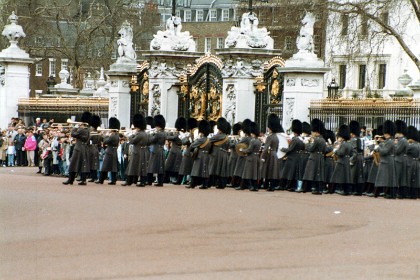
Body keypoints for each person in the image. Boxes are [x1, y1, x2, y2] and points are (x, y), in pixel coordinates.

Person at [63, 112, 91, 185]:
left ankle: (70, 179)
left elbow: (73, 134)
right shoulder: (87, 130)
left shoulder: (81, 130)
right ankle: (83, 180)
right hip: (84, 148)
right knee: (83, 164)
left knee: (73, 164)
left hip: (78, 148)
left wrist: (75, 127)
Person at [122, 114, 149, 186]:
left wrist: (130, 135)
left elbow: (132, 141)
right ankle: (138, 181)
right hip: (142, 151)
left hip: (137, 151)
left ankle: (129, 181)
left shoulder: (140, 134)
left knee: (132, 166)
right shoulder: (144, 133)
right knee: (141, 167)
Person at [302, 118, 327, 195]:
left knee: (311, 173)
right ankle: (319, 189)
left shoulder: (316, 140)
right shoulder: (323, 139)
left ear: (316, 132)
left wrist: (307, 143)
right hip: (320, 157)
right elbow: (325, 149)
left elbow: (310, 149)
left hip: (314, 157)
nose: (312, 133)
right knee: (319, 174)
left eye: (313, 132)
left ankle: (307, 188)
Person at [374, 120, 397, 199]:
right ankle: (383, 193)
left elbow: (384, 151)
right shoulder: (387, 141)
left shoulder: (390, 141)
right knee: (384, 178)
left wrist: (378, 147)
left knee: (387, 178)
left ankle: (378, 193)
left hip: (387, 161)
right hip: (385, 161)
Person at [281, 119, 305, 192]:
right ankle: (292, 186)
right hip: (297, 157)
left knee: (288, 172)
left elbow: (290, 149)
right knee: (294, 173)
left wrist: (282, 149)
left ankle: (287, 186)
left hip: (292, 157)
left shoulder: (294, 140)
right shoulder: (301, 140)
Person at [187, 120, 212, 189]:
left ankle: (192, 184)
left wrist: (196, 139)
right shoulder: (209, 140)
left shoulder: (201, 139)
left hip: (200, 155)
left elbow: (192, 146)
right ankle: (204, 184)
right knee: (204, 171)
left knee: (195, 170)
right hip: (206, 155)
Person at [260, 114, 282, 191]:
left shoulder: (269, 137)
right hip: (274, 154)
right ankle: (271, 185)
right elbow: (277, 147)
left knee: (268, 170)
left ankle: (268, 185)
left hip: (270, 155)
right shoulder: (276, 137)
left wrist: (262, 157)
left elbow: (266, 148)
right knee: (273, 171)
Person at [96, 117, 120, 185]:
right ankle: (113, 180)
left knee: (104, 166)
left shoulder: (112, 136)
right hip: (114, 151)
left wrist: (105, 135)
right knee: (113, 167)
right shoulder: (116, 135)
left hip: (110, 151)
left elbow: (106, 141)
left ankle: (101, 180)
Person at [208, 117, 231, 189]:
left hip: (216, 154)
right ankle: (222, 184)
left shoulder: (218, 136)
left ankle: (208, 183)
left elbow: (208, 141)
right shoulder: (227, 137)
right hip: (224, 154)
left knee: (212, 169)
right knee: (222, 170)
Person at [331, 125, 353, 195]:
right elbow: (351, 153)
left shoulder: (343, 144)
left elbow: (341, 153)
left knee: (339, 176)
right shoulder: (349, 144)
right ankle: (346, 190)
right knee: (346, 176)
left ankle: (335, 190)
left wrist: (335, 150)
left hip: (341, 161)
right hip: (347, 160)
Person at [240, 122, 261, 192]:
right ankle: (255, 187)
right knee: (254, 173)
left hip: (250, 158)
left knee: (248, 173)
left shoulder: (253, 141)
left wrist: (242, 150)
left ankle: (250, 186)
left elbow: (249, 150)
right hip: (256, 157)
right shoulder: (258, 141)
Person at [147, 115, 166, 186]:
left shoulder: (158, 134)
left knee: (151, 167)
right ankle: (160, 182)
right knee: (160, 167)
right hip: (161, 150)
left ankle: (149, 181)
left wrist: (150, 134)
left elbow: (150, 140)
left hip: (155, 150)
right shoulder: (163, 133)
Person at [165, 117, 186, 184]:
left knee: (169, 166)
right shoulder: (183, 133)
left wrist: (168, 133)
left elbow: (169, 138)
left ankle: (167, 178)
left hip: (174, 151)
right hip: (178, 151)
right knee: (175, 166)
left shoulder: (178, 134)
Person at [394, 120, 409, 199]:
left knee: (398, 177)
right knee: (402, 177)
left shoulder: (402, 141)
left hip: (399, 160)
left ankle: (398, 192)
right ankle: (401, 193)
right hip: (402, 159)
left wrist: (395, 144)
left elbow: (397, 151)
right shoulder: (404, 140)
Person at [88, 115, 103, 182]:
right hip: (95, 147)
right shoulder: (96, 132)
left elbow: (88, 140)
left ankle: (95, 177)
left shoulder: (93, 132)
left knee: (94, 164)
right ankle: (93, 177)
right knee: (92, 163)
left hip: (92, 148)